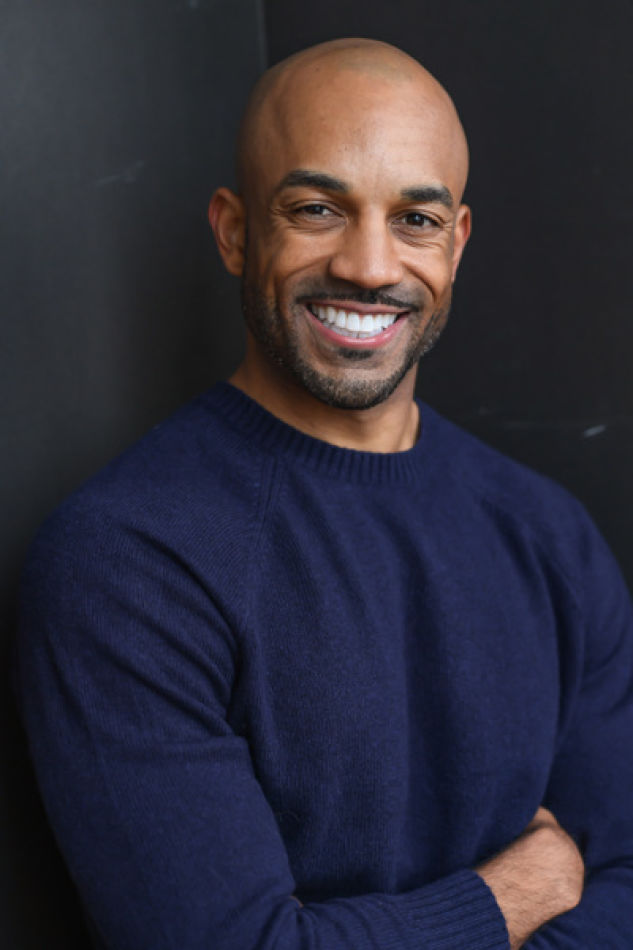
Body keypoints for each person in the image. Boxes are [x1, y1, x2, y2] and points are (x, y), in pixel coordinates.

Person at [14, 37, 633, 950]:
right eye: (316, 209)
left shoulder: (550, 538)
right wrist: (512, 896)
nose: (369, 266)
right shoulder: (126, 559)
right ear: (235, 232)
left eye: (415, 219)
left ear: (456, 244)